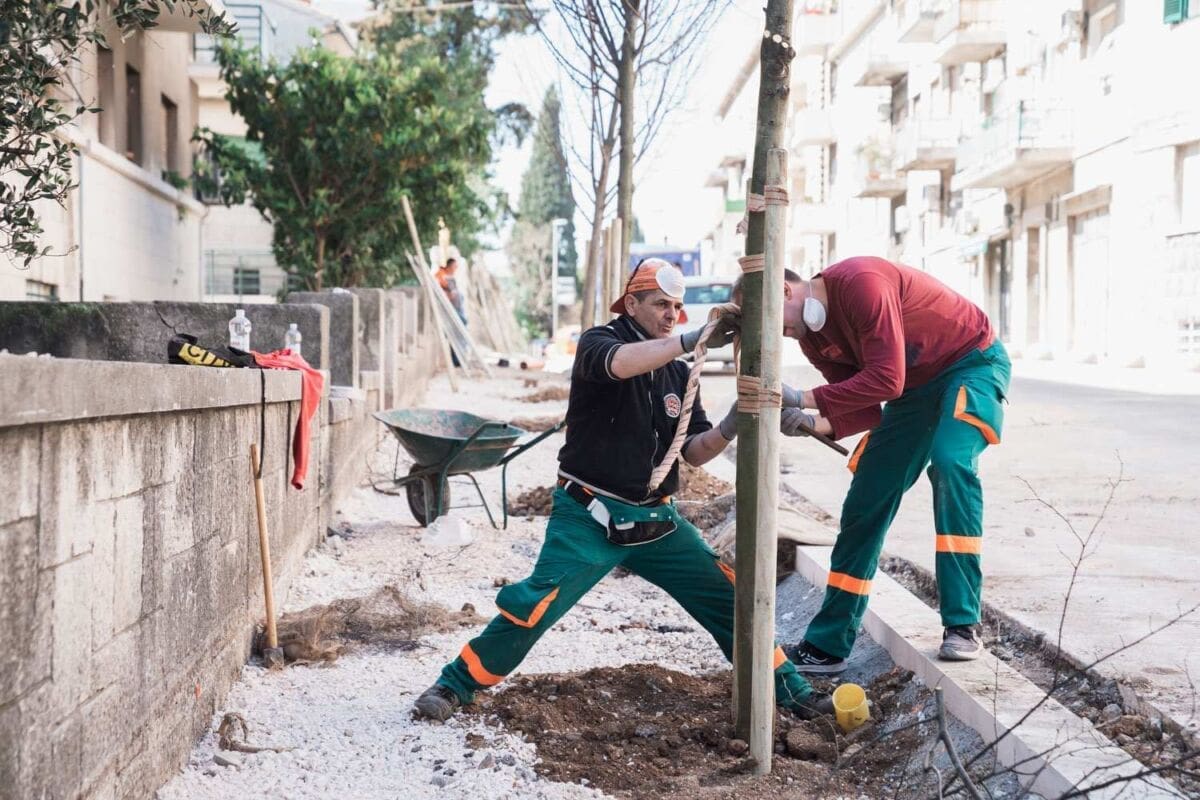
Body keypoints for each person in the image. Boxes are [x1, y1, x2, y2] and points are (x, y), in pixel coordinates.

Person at [413, 258, 833, 721]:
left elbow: (691, 452)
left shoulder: (678, 375)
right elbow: (618, 365)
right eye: (660, 304)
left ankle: (791, 692)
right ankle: (455, 684)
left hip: (656, 523)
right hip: (588, 517)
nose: (671, 314)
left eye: (676, 307)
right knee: (536, 605)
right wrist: (689, 342)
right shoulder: (600, 342)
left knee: (731, 600)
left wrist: (731, 425)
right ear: (631, 303)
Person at [748, 256, 1010, 673]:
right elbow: (865, 406)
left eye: (772, 323)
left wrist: (803, 398)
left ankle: (962, 623)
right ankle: (828, 644)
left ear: (782, 291)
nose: (778, 335)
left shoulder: (861, 283)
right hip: (915, 390)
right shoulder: (812, 339)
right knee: (866, 497)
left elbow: (887, 379)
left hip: (969, 364)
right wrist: (812, 424)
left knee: (949, 463)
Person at [435, 257, 467, 325]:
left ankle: (462, 321)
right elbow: (442, 288)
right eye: (455, 266)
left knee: (460, 297)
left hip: (454, 303)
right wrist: (449, 293)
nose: (456, 268)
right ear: (450, 266)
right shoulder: (441, 274)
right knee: (463, 321)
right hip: (447, 303)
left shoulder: (449, 276)